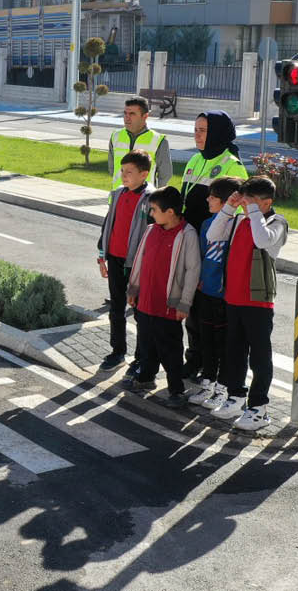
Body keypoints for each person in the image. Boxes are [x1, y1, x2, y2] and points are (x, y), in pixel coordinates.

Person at [208, 177, 288, 432]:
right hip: (234, 297)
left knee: (260, 356)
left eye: (252, 202)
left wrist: (253, 211)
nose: (246, 206)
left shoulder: (277, 223)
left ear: (267, 202)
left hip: (258, 301)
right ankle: (236, 396)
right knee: (234, 351)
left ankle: (258, 408)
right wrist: (229, 208)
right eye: (245, 201)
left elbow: (264, 241)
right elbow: (213, 234)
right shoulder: (241, 219)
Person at [179, 110, 248, 381]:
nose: (196, 135)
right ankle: (194, 358)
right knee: (191, 310)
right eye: (195, 129)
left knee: (210, 315)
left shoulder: (232, 165)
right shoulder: (195, 160)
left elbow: (236, 215)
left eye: (203, 130)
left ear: (217, 133)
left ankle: (212, 366)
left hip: (212, 251)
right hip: (190, 245)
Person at [124, 186, 201, 408]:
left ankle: (176, 389)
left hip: (168, 306)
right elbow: (139, 260)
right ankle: (146, 377)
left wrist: (184, 303)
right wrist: (133, 289)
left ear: (170, 212)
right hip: (145, 302)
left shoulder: (187, 235)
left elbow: (193, 270)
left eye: (154, 210)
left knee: (170, 349)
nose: (151, 214)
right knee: (146, 343)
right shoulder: (150, 230)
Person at [96, 150, 156, 371]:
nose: (124, 175)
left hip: (137, 266)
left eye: (129, 172)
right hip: (115, 260)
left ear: (144, 174)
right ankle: (117, 351)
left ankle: (141, 357)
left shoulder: (151, 199)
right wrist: (102, 255)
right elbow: (107, 225)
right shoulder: (119, 193)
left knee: (140, 313)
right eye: (122, 171)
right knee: (116, 309)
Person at [188, 176, 244, 410]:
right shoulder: (206, 224)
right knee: (207, 340)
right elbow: (202, 256)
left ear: (227, 201)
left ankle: (223, 388)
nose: (207, 199)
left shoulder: (239, 224)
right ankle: (208, 382)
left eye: (213, 196)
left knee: (224, 345)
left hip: (226, 295)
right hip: (207, 291)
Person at [107, 97, 172, 190]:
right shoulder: (115, 136)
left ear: (145, 116)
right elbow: (112, 169)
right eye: (125, 113)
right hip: (118, 199)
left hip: (144, 200)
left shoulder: (159, 140)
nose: (127, 117)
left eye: (132, 114)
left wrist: (155, 198)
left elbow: (165, 175)